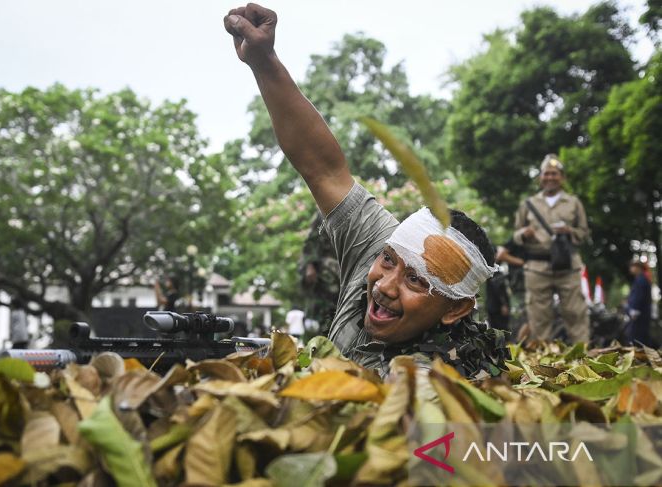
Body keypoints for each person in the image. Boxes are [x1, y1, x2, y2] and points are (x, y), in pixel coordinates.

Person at [224, 4, 508, 378]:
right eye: (388, 260)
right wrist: (264, 60)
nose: (386, 286)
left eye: (417, 281)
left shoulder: (445, 384)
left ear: (455, 310)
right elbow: (323, 168)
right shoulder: (387, 249)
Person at [513, 154, 590, 343]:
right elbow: (515, 235)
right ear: (541, 178)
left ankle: (583, 357)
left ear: (562, 178)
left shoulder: (573, 203)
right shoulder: (528, 204)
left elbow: (584, 232)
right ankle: (541, 361)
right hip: (537, 266)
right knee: (539, 316)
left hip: (567, 264)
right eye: (546, 174)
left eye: (555, 174)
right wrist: (524, 233)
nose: (550, 177)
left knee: (574, 312)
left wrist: (569, 231)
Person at [299, 212, 340, 336]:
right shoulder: (324, 212)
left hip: (346, 268)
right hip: (327, 270)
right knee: (325, 312)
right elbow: (312, 239)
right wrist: (310, 264)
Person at [625, 261, 653, 346]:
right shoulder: (640, 279)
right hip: (640, 314)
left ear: (638, 267)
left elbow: (639, 296)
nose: (631, 269)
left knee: (637, 338)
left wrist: (634, 310)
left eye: (632, 266)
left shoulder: (641, 279)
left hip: (639, 315)